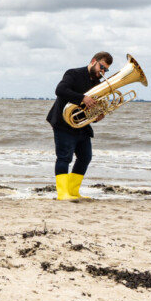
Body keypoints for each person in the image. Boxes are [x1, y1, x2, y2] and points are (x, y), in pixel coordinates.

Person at [46, 51, 112, 200]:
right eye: (102, 67)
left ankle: (73, 191)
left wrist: (97, 117)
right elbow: (60, 90)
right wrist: (83, 98)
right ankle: (62, 193)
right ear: (93, 61)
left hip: (80, 125)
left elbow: (90, 109)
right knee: (64, 158)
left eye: (106, 70)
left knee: (85, 157)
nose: (103, 72)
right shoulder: (73, 74)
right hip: (63, 123)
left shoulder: (97, 84)